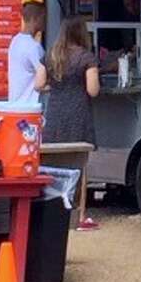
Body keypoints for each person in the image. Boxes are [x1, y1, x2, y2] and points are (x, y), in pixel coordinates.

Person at [43, 16, 101, 231]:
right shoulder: (87, 58)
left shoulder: (50, 56)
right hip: (78, 112)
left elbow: (39, 83)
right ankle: (81, 214)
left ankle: (52, 207)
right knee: (80, 163)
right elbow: (92, 90)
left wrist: (57, 88)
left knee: (53, 163)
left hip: (56, 112)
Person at [8, 1, 46, 104]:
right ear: (35, 19)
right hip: (30, 108)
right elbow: (43, 79)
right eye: (43, 18)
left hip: (15, 105)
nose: (45, 22)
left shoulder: (15, 41)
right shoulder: (34, 47)